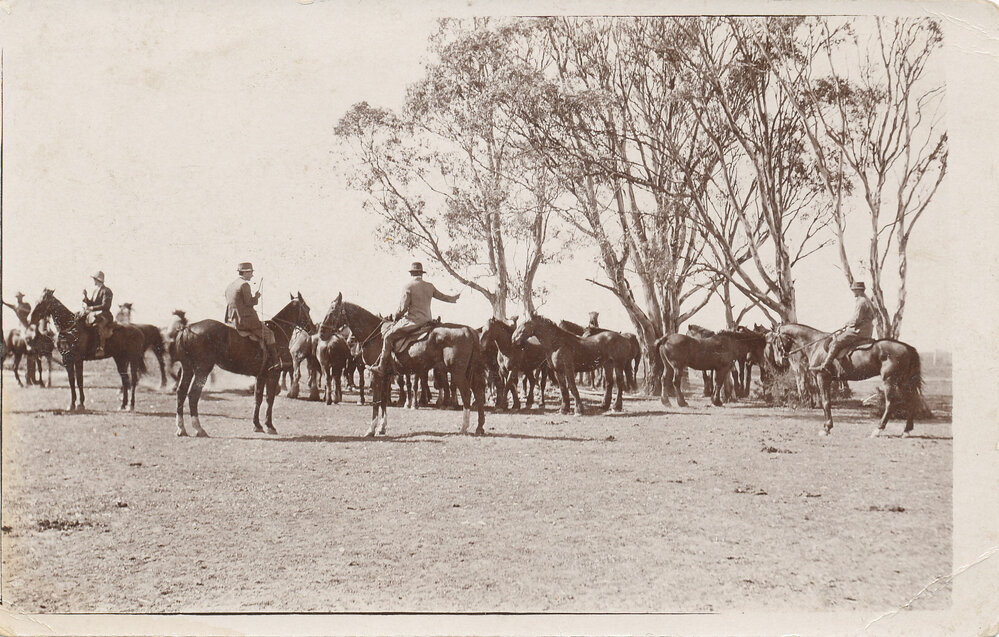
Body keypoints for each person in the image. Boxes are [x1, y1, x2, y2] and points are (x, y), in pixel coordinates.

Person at [369, 261, 461, 374]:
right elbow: (442, 297)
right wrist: (453, 298)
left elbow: (402, 308)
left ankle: (381, 367)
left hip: (412, 321)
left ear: (411, 273)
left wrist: (394, 316)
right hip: (427, 321)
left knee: (388, 336)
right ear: (421, 273)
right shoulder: (429, 286)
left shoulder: (408, 286)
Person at [810, 281, 877, 374]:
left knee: (836, 342)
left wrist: (847, 324)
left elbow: (857, 319)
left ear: (858, 290)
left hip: (858, 331)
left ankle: (825, 365)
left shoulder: (861, 302)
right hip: (866, 331)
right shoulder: (868, 301)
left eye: (854, 290)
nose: (853, 292)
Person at [224, 262, 278, 367]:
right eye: (251, 273)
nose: (252, 275)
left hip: (231, 319)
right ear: (245, 273)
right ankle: (275, 362)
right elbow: (249, 303)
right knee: (270, 334)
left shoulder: (230, 285)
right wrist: (256, 297)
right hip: (245, 321)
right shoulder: (244, 285)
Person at [83, 271, 114, 357]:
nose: (93, 281)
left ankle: (101, 348)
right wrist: (85, 297)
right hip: (95, 314)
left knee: (98, 326)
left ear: (98, 280)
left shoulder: (107, 291)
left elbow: (106, 305)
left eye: (94, 279)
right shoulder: (95, 291)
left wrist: (92, 308)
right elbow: (91, 304)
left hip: (105, 315)